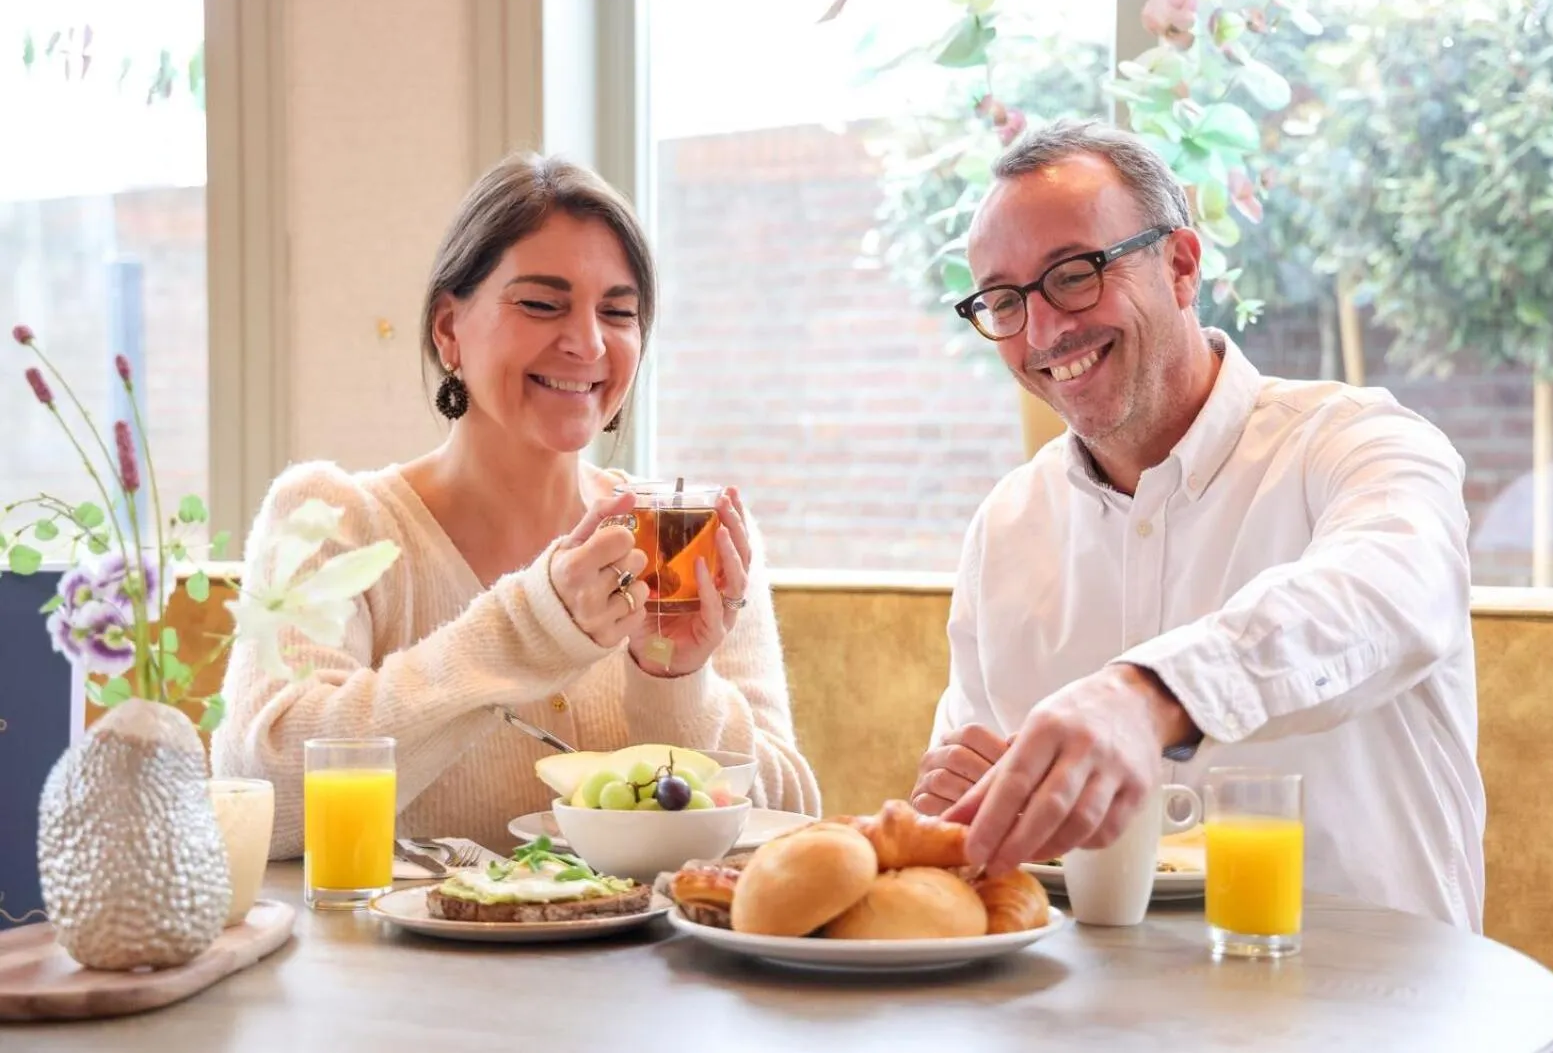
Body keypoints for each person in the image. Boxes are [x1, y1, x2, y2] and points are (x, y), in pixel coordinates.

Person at [909, 119, 1485, 931]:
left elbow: (1392, 590)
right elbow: (987, 831)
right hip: (1086, 1016)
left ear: (1180, 265)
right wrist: (959, 805)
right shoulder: (1007, 524)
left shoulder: (1360, 441)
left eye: (1073, 274)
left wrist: (1150, 695)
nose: (1043, 331)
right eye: (1005, 300)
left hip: (1369, 1009)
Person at [213, 153, 821, 858]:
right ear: (449, 328)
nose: (588, 342)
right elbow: (264, 787)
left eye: (618, 312)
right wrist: (532, 625)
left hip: (648, 972)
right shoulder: (332, 520)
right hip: (407, 971)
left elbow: (792, 826)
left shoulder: (684, 537)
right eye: (541, 303)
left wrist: (676, 681)